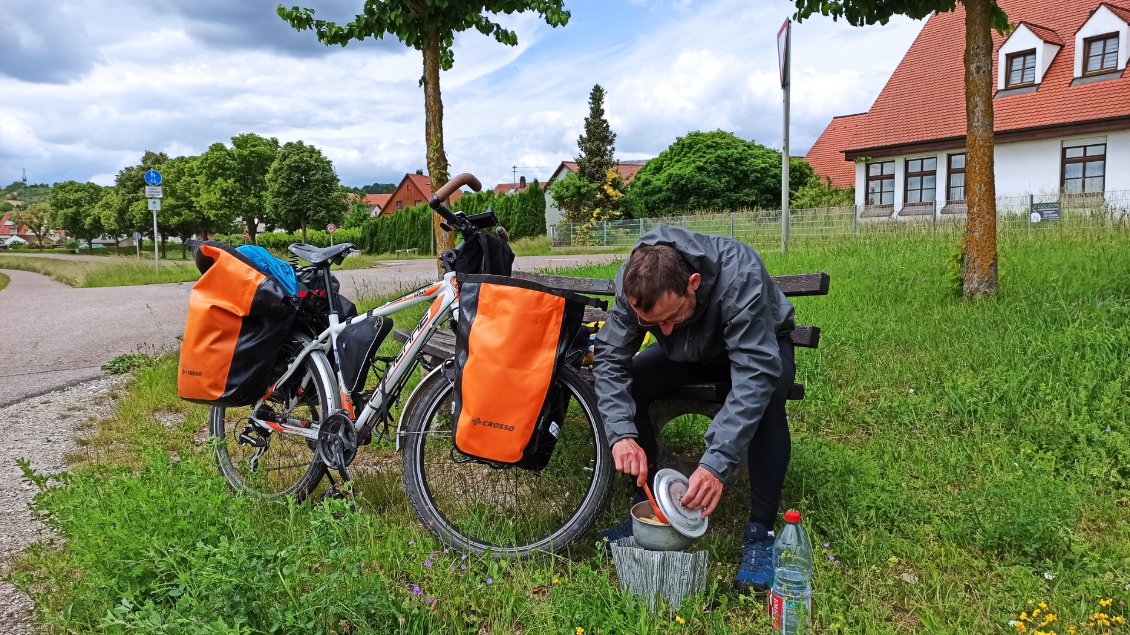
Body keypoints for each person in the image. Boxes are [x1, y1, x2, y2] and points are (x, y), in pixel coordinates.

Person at [592, 226, 796, 593]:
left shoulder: (740, 273)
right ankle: (651, 509)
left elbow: (754, 375)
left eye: (672, 318)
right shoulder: (634, 281)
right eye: (653, 325)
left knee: (768, 396)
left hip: (758, 349)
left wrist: (714, 463)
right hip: (690, 353)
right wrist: (620, 434)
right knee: (634, 384)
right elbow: (611, 359)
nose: (664, 331)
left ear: (694, 283)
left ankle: (759, 534)